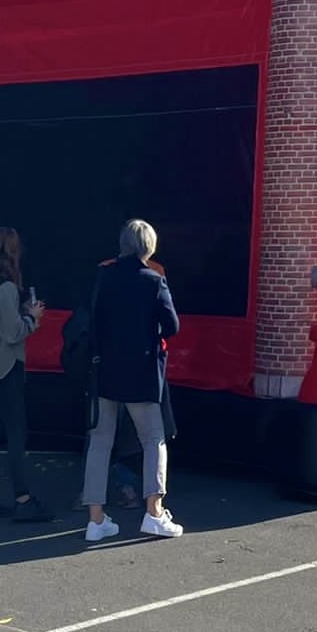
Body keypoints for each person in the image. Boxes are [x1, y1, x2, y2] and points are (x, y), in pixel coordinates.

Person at [81, 219, 183, 540]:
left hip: (106, 370)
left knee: (99, 443)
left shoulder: (104, 276)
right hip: (141, 372)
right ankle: (154, 512)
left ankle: (96, 520)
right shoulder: (154, 282)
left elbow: (93, 321)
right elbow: (172, 326)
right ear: (148, 247)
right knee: (154, 438)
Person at [0, 226, 53, 522]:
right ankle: (23, 499)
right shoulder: (5, 290)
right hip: (5, 369)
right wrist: (32, 317)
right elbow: (12, 333)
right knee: (17, 434)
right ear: (13, 254)